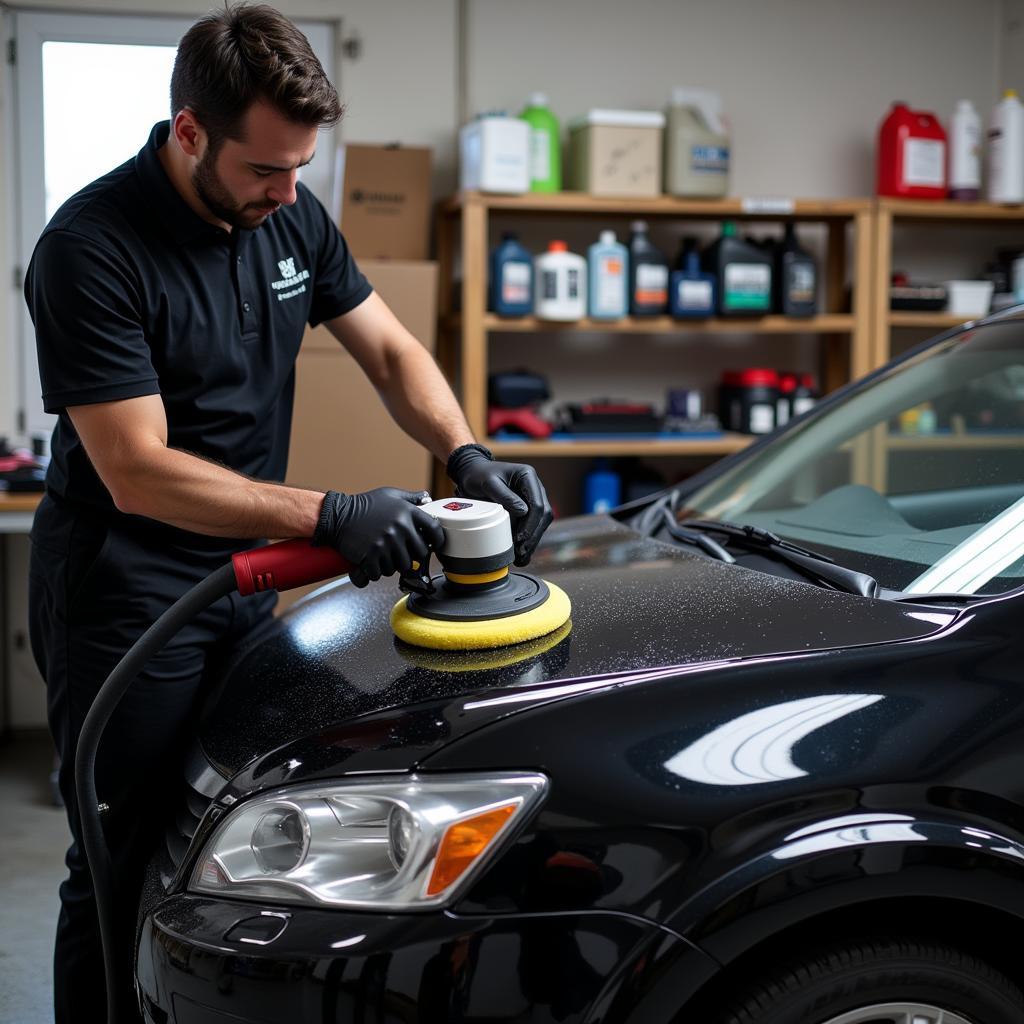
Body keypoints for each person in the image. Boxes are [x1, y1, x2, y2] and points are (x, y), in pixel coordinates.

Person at [23, 5, 552, 1021]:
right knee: (121, 856)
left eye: (300, 165)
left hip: (242, 581)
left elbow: (392, 352)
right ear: (189, 133)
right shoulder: (92, 248)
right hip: (125, 594)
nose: (288, 188)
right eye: (267, 168)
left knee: (227, 837)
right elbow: (137, 470)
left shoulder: (290, 215)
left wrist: (466, 449)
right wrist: (333, 509)